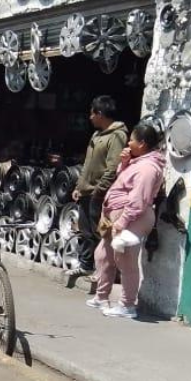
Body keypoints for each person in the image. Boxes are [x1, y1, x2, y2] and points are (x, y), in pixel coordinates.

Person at [86, 122, 166, 319]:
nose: (128, 143)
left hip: (131, 218)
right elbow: (123, 183)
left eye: (132, 140)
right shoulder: (137, 163)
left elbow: (138, 200)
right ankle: (101, 296)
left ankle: (127, 305)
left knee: (126, 261)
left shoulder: (147, 168)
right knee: (103, 255)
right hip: (116, 214)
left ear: (142, 143)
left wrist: (122, 222)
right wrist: (124, 163)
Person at [69, 96, 129, 277]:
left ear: (100, 113)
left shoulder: (117, 136)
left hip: (99, 194)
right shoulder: (96, 135)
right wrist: (79, 187)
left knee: (101, 233)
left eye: (92, 113)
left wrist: (98, 191)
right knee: (85, 231)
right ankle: (86, 265)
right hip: (86, 192)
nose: (90, 117)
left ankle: (104, 270)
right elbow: (87, 164)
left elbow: (113, 168)